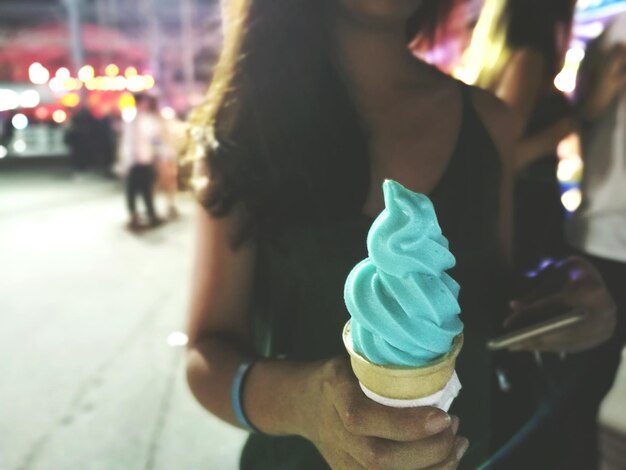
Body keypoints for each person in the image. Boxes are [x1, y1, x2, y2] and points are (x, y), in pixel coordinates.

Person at [185, 1, 616, 468]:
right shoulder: (243, 134)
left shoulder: (491, 121)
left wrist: (565, 297)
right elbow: (206, 354)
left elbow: (494, 293)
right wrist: (302, 402)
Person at [463, 0, 577, 272]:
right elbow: (500, 156)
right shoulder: (530, 58)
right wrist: (555, 134)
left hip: (511, 207)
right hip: (524, 211)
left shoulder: (499, 51)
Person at [564, 12, 626, 467]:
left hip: (600, 235)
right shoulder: (614, 32)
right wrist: (598, 96)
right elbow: (578, 124)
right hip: (603, 240)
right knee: (583, 390)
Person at [120, 93, 163, 229]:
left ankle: (151, 214)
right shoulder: (131, 117)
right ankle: (134, 215)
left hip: (145, 159)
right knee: (132, 190)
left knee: (147, 189)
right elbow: (128, 141)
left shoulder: (147, 119)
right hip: (133, 160)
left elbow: (154, 136)